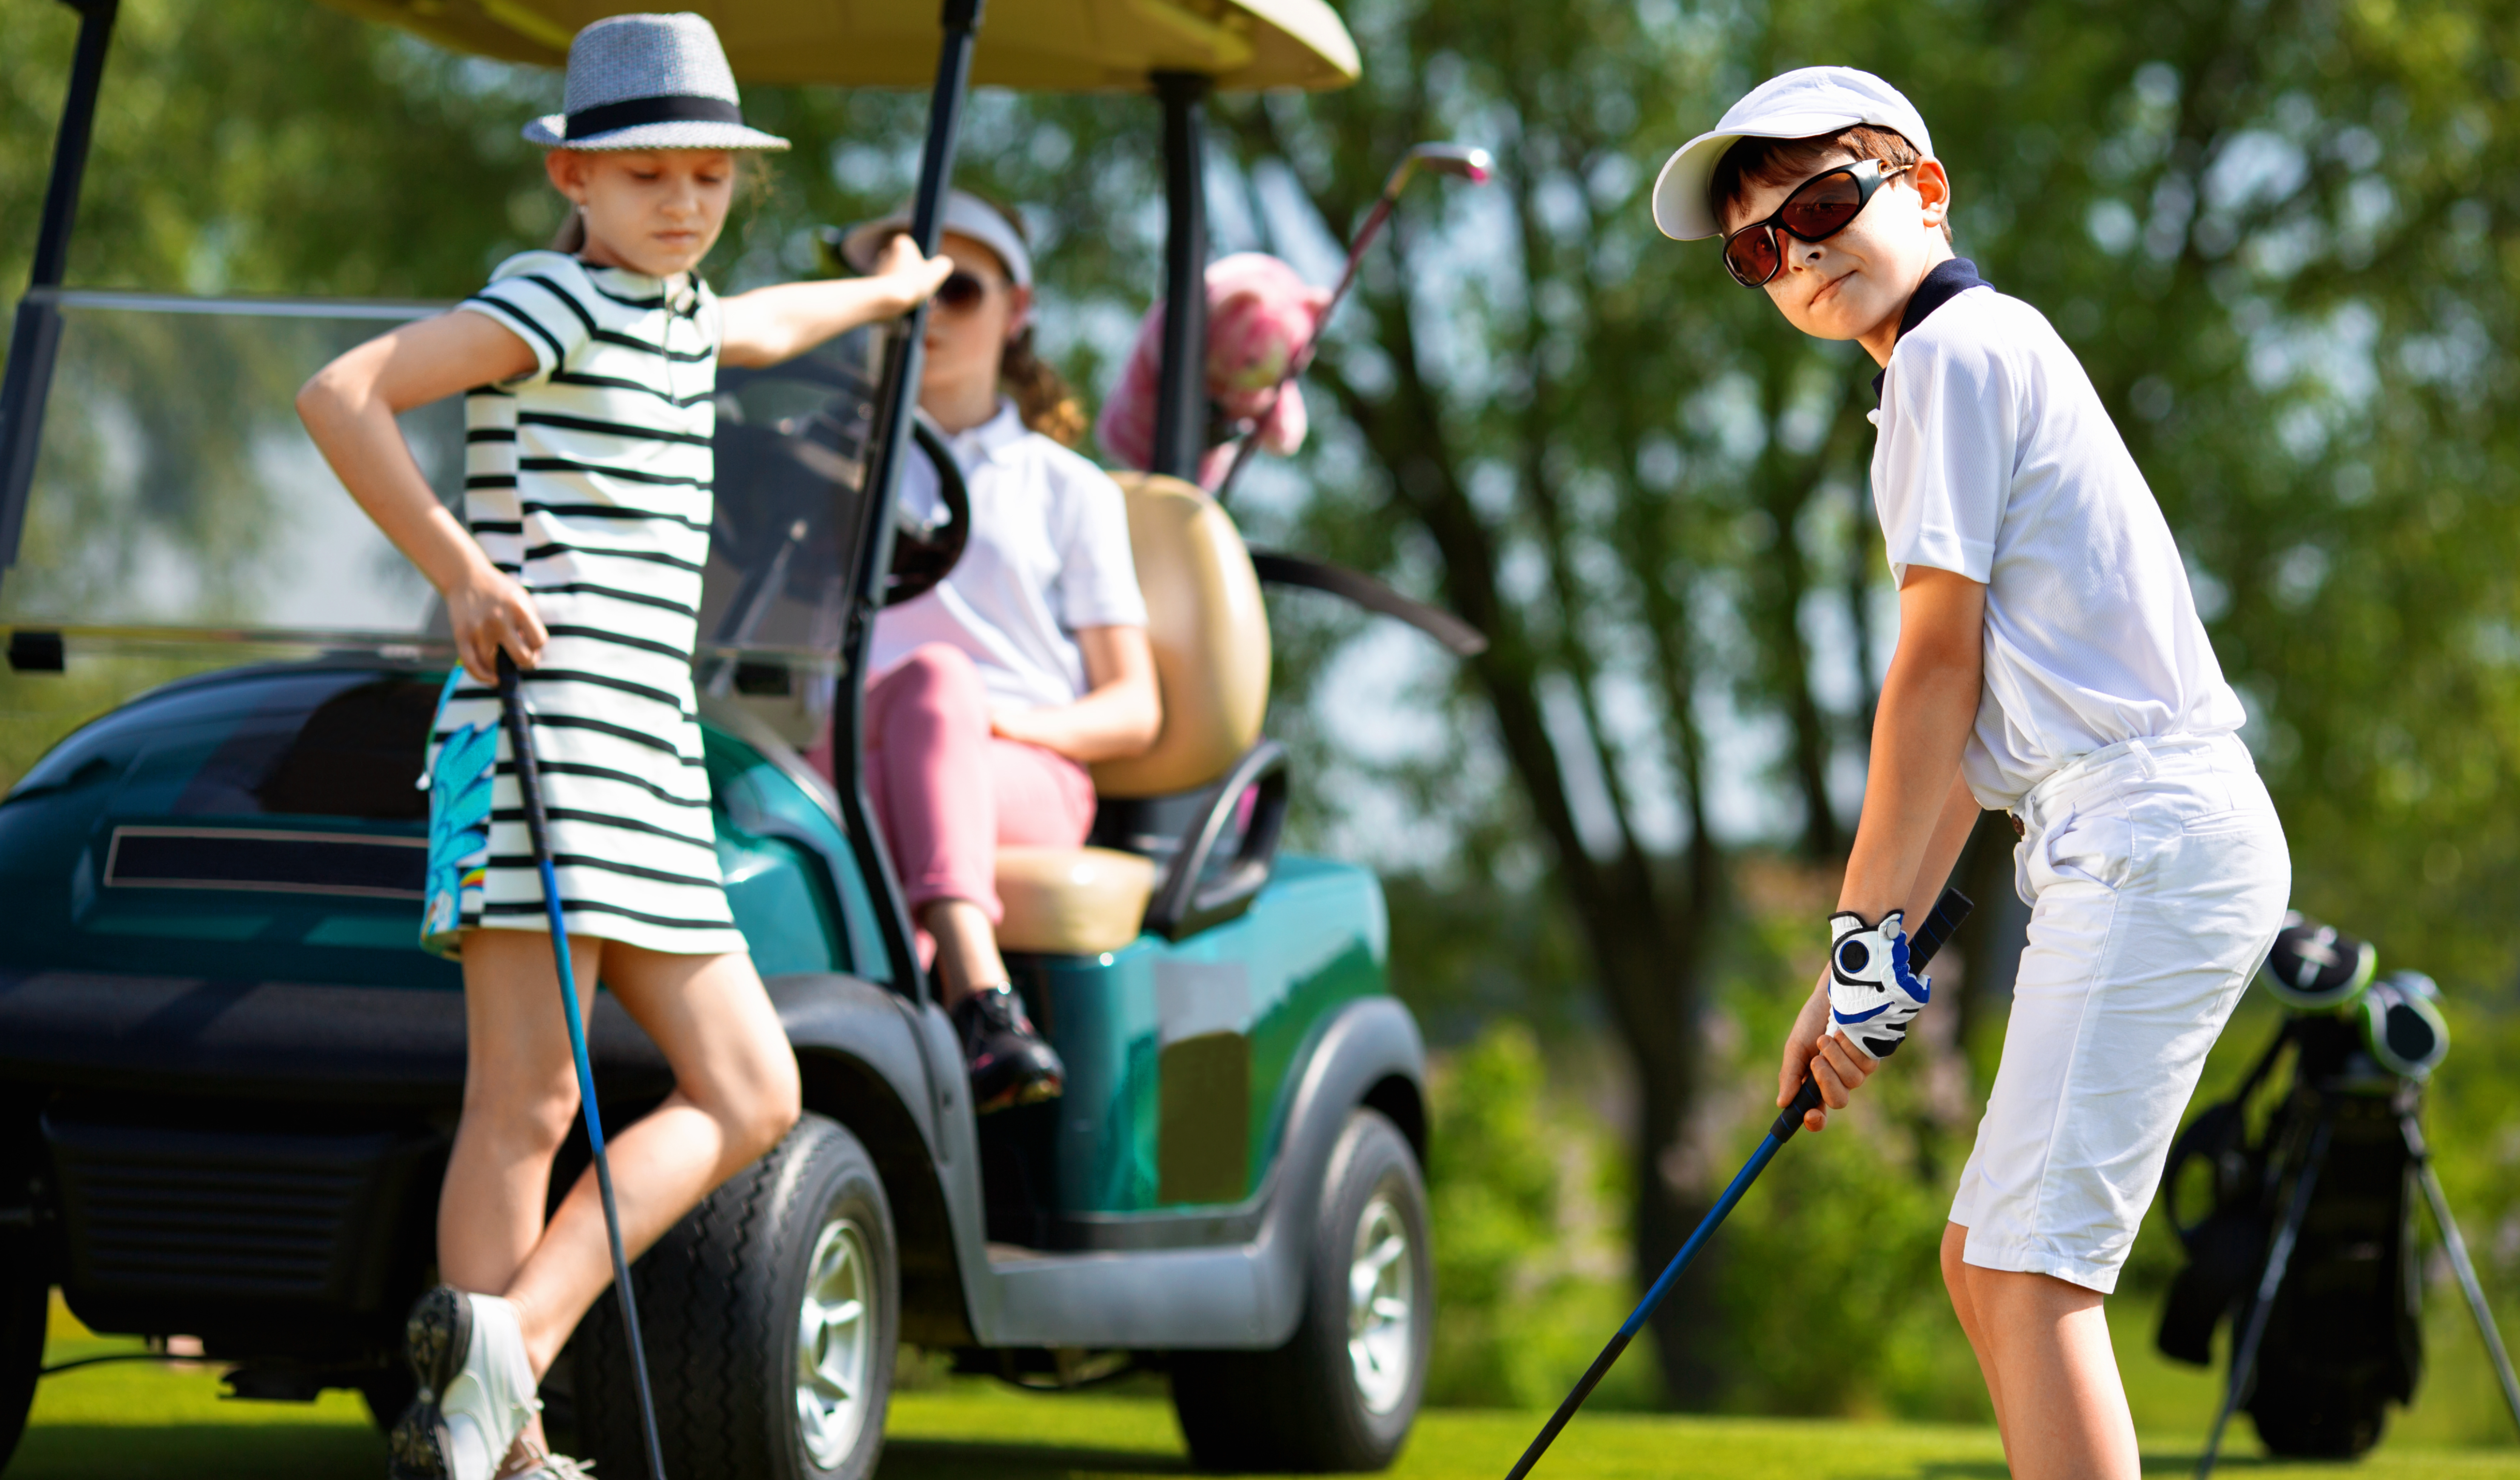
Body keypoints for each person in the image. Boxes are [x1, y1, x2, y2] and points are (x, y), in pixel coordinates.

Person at [295, 15, 950, 1480]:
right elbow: (343, 392)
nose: (683, 203)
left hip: (650, 759)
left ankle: (503, 1353)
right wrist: (462, 570)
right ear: (574, 177)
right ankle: (503, 1437)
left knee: (754, 1089)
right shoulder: (556, 299)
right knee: (527, 1102)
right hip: (541, 731)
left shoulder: (685, 317)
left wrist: (890, 291)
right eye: (648, 174)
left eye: (710, 177)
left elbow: (766, 323)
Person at [1652, 67, 2290, 1477]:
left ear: (1925, 192)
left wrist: (1855, 932)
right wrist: (1861, 971)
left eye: (1824, 201)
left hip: (2146, 830)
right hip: (2126, 832)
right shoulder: (1961, 365)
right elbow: (1963, 752)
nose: (1797, 251)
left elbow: (1932, 672)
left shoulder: (1949, 355)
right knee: (1982, 1260)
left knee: (2027, 1274)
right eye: (1758, 247)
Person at [825, 189, 1161, 1112]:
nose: (927, 309)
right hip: (855, 747)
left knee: (939, 685)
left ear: (1018, 310)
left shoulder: (1068, 490)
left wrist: (991, 720)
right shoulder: (827, 469)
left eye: (959, 289)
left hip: (1017, 765)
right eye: (905, 283)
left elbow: (1134, 708)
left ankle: (971, 990)